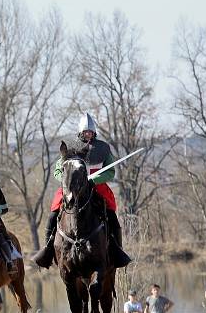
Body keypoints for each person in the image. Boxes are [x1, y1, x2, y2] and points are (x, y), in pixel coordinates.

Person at [32, 113, 131, 270]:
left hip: (96, 186)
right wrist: (66, 179)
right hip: (72, 187)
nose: (88, 134)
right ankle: (48, 250)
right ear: (81, 132)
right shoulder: (71, 148)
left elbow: (110, 173)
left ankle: (117, 251)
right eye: (85, 132)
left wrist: (93, 180)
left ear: (94, 132)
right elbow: (58, 170)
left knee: (111, 213)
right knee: (53, 212)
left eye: (90, 132)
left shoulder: (103, 148)